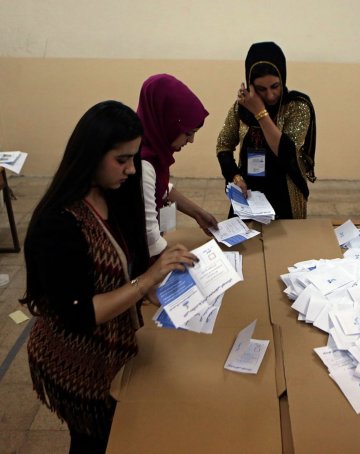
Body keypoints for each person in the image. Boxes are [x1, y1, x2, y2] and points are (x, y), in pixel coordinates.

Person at [20, 101, 198, 453]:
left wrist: (161, 285)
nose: (131, 169)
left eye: (134, 158)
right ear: (90, 155)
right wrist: (146, 281)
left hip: (112, 343)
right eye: (122, 160)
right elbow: (81, 313)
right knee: (93, 439)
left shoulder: (114, 194)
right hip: (75, 358)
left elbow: (124, 267)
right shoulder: (57, 224)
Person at [216, 41, 317, 219]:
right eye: (261, 89)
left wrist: (259, 112)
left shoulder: (296, 106)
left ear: (282, 78)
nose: (270, 95)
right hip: (249, 192)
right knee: (242, 243)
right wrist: (235, 177)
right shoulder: (241, 108)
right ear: (250, 84)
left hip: (285, 192)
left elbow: (286, 153)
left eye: (275, 86)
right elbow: (224, 145)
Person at [138, 74, 218, 257]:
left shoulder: (152, 149)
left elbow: (160, 188)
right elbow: (150, 237)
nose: (191, 140)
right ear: (167, 122)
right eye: (188, 133)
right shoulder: (142, 164)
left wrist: (198, 213)